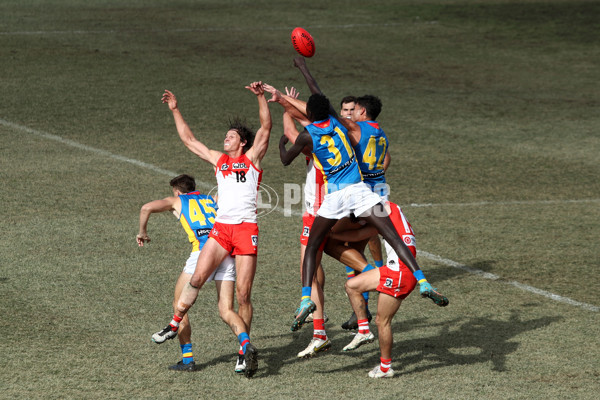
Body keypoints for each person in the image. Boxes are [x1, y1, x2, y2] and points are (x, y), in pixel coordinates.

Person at [275, 60, 448, 333]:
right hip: (363, 191)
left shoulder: (310, 135)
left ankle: (306, 299)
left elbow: (286, 160)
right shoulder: (352, 128)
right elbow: (319, 92)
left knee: (313, 245)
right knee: (390, 235)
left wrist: (282, 144)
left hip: (335, 198)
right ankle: (423, 280)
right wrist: (306, 69)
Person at [151, 82, 272, 379]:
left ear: (242, 142)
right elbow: (190, 141)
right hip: (221, 230)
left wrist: (260, 98)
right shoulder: (219, 160)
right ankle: (174, 322)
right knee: (197, 277)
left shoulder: (252, 159)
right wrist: (175, 110)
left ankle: (244, 349)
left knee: (243, 295)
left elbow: (267, 127)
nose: (225, 139)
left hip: (245, 230)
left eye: (230, 137)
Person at [137, 174, 237, 372]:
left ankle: (187, 358)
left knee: (179, 305)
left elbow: (146, 207)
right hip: (224, 253)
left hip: (201, 254)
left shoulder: (177, 200)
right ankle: (245, 347)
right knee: (226, 310)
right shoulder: (210, 199)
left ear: (176, 191)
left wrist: (142, 232)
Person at [329, 201, 420, 378]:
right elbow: (360, 234)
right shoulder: (390, 211)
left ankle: (386, 368)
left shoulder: (379, 209)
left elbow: (360, 227)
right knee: (352, 285)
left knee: (382, 321)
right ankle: (363, 330)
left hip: (398, 274)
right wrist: (332, 236)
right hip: (396, 270)